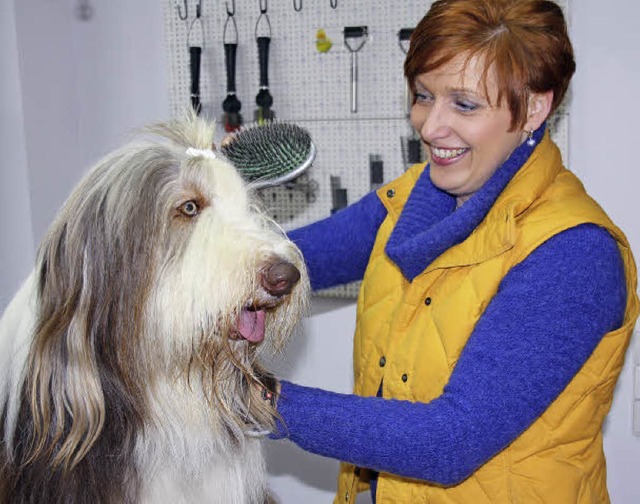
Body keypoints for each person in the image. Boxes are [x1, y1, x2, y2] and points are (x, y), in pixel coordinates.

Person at [268, 1, 640, 502]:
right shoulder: (410, 199)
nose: (429, 126)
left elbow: (449, 441)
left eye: (464, 105)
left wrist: (260, 401)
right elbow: (290, 261)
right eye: (424, 95)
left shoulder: (572, 255)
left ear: (534, 107)